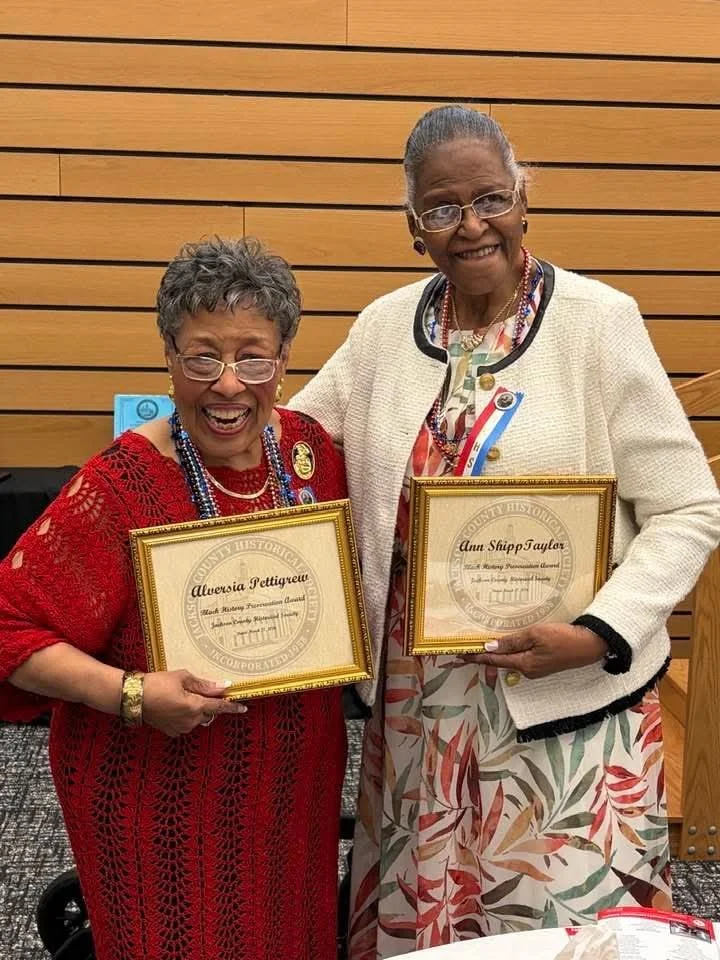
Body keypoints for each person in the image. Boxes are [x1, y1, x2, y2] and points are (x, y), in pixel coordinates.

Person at [288, 105, 720, 956]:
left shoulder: (599, 323)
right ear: (414, 227)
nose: (471, 225)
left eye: (491, 198)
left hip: (564, 700)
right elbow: (294, 447)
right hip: (420, 712)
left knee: (563, 932)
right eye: (442, 209)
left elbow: (687, 507)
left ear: (525, 198)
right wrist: (168, 442)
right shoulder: (382, 331)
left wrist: (597, 633)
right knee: (432, 932)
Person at [0, 238, 348, 960]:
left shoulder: (313, 452)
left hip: (292, 793)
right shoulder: (120, 485)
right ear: (169, 358)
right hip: (159, 801)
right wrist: (132, 693)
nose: (228, 384)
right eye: (202, 357)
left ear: (283, 362)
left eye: (253, 357)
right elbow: (8, 627)